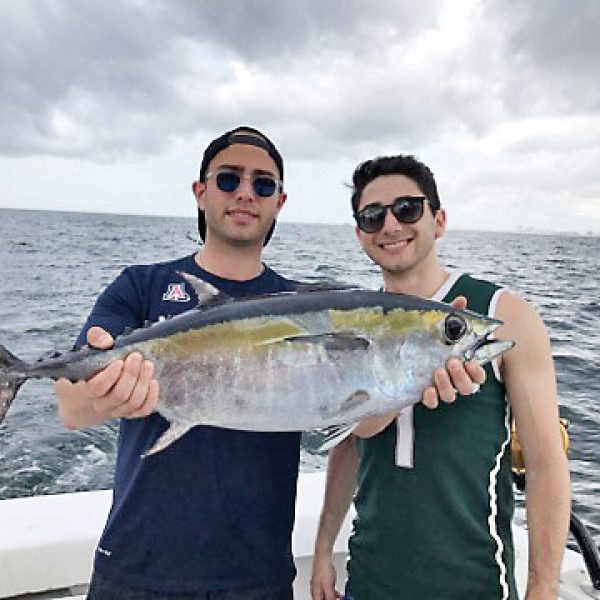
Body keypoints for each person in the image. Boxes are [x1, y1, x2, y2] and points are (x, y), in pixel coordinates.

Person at [55, 128, 482, 599]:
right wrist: (113, 394)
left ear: (279, 201)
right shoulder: (139, 287)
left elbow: (359, 419)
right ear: (200, 193)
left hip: (258, 578)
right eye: (228, 180)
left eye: (262, 184)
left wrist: (422, 373)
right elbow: (72, 409)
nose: (244, 193)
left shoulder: (313, 303)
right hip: (136, 570)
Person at [310, 155, 571, 600]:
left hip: (476, 586)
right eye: (373, 216)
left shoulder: (502, 315)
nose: (390, 225)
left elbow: (547, 463)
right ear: (360, 235)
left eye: (407, 209)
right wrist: (322, 549)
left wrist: (543, 589)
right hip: (369, 582)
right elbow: (350, 444)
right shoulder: (354, 324)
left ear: (439, 219)